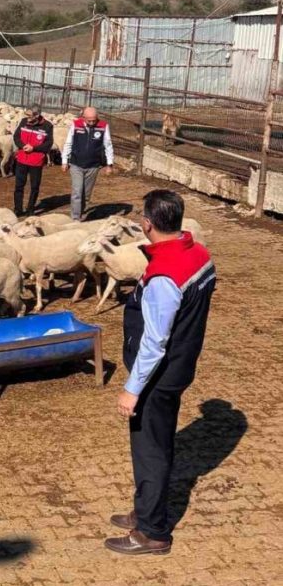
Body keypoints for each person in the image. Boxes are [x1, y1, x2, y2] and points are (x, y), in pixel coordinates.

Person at [106, 189, 216, 556]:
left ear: (147, 223)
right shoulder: (198, 254)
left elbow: (155, 341)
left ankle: (152, 532)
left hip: (158, 375)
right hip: (181, 363)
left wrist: (132, 388)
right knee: (158, 441)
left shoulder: (165, 277)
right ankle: (144, 510)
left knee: (150, 450)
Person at [62, 106, 115, 221]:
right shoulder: (76, 125)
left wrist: (109, 164)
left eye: (94, 120)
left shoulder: (103, 126)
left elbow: (108, 145)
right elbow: (68, 143)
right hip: (76, 164)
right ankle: (75, 218)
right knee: (77, 192)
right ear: (83, 117)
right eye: (89, 120)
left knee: (86, 194)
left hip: (93, 165)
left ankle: (81, 212)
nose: (91, 123)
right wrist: (64, 161)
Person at [11, 105, 54, 216]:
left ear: (37, 115)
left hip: (36, 161)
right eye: (27, 115)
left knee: (34, 186)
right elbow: (16, 137)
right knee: (19, 186)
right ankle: (18, 209)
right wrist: (22, 145)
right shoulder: (23, 122)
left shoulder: (47, 126)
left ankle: (30, 209)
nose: (27, 117)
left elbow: (48, 144)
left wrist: (34, 148)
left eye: (29, 115)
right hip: (22, 159)